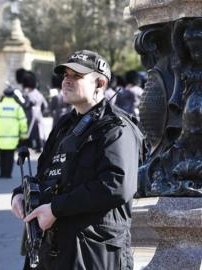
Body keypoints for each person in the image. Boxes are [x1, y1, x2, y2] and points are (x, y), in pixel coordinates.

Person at [11, 50, 143, 269]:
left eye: (76, 76)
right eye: (65, 76)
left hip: (92, 254)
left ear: (100, 83)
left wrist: (56, 209)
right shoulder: (64, 125)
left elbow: (117, 185)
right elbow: (47, 176)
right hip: (51, 249)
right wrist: (19, 195)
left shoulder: (116, 129)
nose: (67, 81)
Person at [0, 87, 27, 179]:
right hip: (13, 137)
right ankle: (8, 174)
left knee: (2, 155)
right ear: (13, 95)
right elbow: (23, 122)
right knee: (10, 156)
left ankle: (2, 173)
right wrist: (23, 135)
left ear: (4, 95)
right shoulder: (17, 107)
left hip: (0, 137)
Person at [23, 71, 49, 152]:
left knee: (33, 130)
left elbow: (27, 104)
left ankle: (35, 145)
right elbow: (45, 105)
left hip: (32, 113)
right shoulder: (38, 93)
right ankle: (39, 145)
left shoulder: (30, 94)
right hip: (38, 112)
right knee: (39, 130)